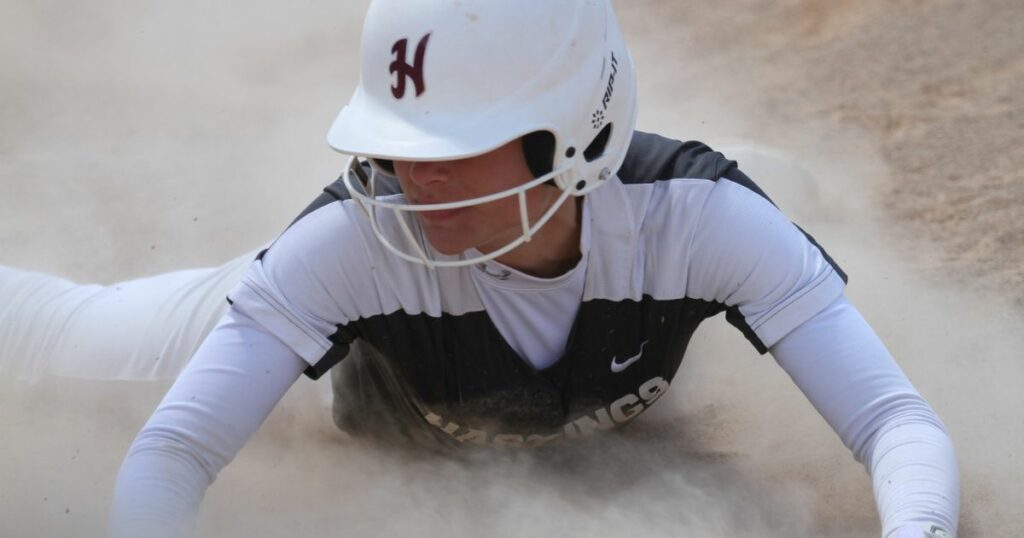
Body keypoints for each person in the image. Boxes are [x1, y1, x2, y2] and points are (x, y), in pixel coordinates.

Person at [0, 1, 958, 536]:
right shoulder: (354, 250)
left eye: (457, 143)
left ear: (575, 133)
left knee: (769, 201)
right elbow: (173, 459)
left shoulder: (698, 222)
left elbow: (894, 421)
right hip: (311, 366)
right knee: (81, 334)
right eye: (398, 142)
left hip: (687, 205)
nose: (416, 176)